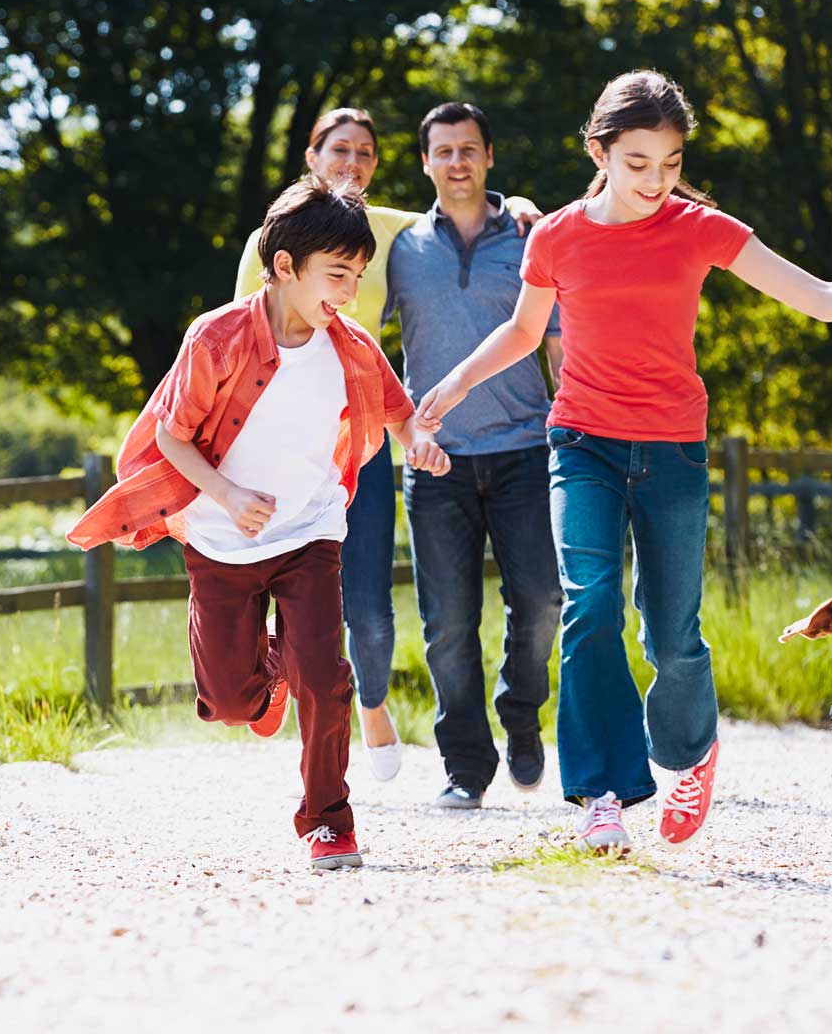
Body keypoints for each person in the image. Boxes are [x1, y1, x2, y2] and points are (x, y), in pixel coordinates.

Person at [417, 70, 832, 853]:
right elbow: (524, 332)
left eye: (671, 162)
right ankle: (601, 794)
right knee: (589, 607)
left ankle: (690, 754)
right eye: (638, 163)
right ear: (599, 152)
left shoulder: (699, 229)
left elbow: (821, 299)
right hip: (581, 442)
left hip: (672, 451)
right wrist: (454, 385)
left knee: (673, 636)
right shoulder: (555, 236)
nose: (657, 180)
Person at [72, 173, 451, 871]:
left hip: (310, 532)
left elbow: (399, 414)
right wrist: (225, 494)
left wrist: (420, 443)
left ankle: (328, 820)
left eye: (358, 275)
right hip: (221, 537)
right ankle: (269, 672)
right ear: (285, 265)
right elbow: (172, 436)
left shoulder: (352, 346)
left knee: (325, 676)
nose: (350, 292)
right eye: (337, 274)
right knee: (227, 701)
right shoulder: (216, 338)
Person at [233, 108, 540, 781]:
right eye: (339, 149)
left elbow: (465, 209)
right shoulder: (271, 240)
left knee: (372, 615)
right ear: (312, 156)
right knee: (272, 585)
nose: (352, 162)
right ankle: (275, 680)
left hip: (362, 443)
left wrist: (518, 203)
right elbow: (240, 336)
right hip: (281, 448)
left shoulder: (394, 232)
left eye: (365, 153)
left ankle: (372, 705)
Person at [383, 102, 564, 810]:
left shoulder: (529, 236)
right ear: (425, 162)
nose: (456, 162)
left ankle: (521, 712)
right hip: (436, 460)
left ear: (489, 156)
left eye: (468, 149)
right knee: (448, 626)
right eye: (443, 151)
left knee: (542, 601)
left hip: (525, 449)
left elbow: (560, 343)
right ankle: (465, 765)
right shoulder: (400, 249)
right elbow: (354, 332)